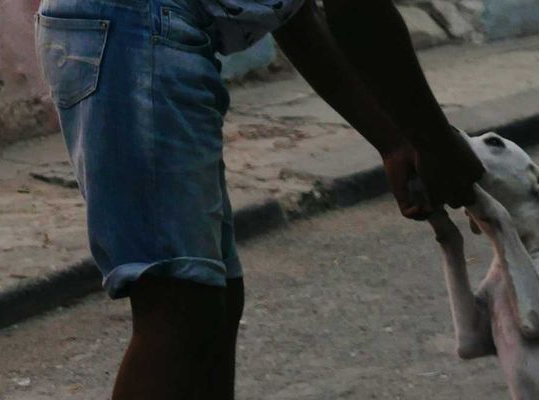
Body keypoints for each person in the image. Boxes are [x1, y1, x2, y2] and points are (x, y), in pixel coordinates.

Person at [35, 0, 484, 398]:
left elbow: (294, 15)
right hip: (137, 29)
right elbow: (357, 11)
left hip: (146, 31)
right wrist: (435, 142)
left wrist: (391, 140)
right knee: (180, 306)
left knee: (213, 302)